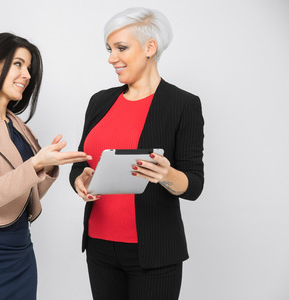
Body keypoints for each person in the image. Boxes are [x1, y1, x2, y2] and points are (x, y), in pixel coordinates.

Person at [0, 32, 91, 300]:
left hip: (21, 253)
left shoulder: (19, 126)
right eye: (18, 64)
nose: (27, 75)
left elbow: (23, 195)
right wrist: (36, 164)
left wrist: (51, 166)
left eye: (29, 68)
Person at [69, 7, 204, 300]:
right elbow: (81, 164)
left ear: (149, 48)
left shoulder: (183, 105)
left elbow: (194, 186)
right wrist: (80, 179)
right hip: (99, 247)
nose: (111, 58)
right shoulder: (99, 102)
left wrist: (166, 175)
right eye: (109, 49)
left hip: (154, 254)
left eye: (121, 48)